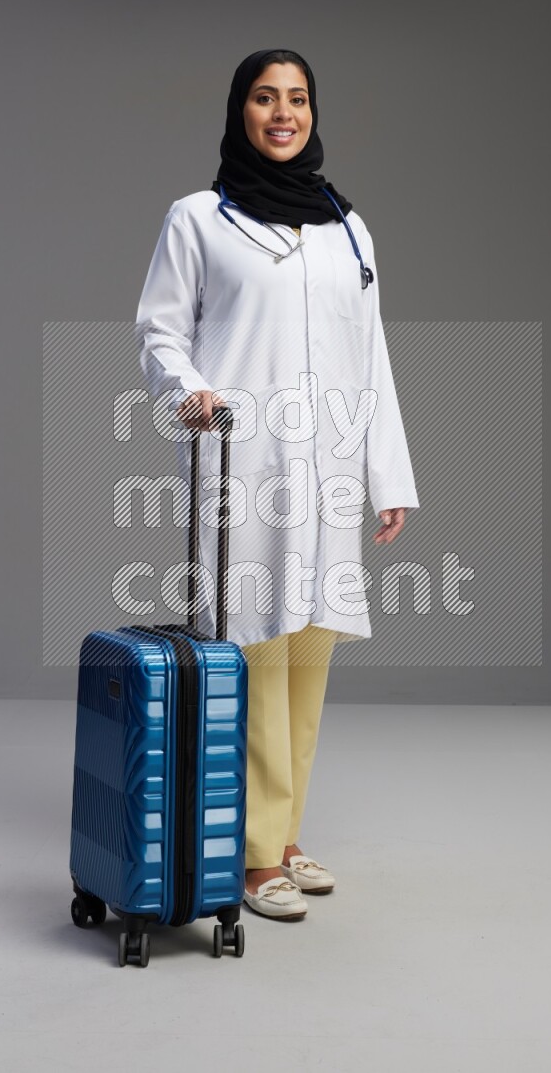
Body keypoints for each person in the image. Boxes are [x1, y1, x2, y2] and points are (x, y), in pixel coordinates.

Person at [135, 49, 419, 921]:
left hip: (329, 469)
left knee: (308, 655)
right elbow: (158, 333)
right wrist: (190, 395)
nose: (283, 113)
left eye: (297, 98)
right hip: (244, 468)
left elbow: (371, 355)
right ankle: (253, 854)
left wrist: (388, 476)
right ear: (240, 110)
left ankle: (286, 835)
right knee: (252, 647)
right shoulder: (199, 218)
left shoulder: (349, 228)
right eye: (265, 97)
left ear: (312, 112)